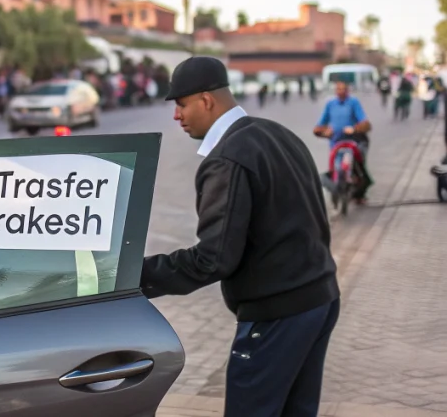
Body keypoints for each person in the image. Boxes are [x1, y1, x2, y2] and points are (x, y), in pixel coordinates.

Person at [140, 56, 340, 417]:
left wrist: (134, 275)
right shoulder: (279, 134)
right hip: (320, 299)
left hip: (278, 313)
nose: (176, 116)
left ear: (206, 100)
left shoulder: (226, 159)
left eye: (181, 104)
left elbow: (213, 259)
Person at [313, 81, 373, 202]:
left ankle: (359, 192)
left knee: (354, 165)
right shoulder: (331, 104)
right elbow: (320, 124)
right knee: (337, 166)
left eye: (343, 89)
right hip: (336, 141)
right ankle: (337, 189)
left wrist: (354, 129)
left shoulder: (353, 102)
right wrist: (325, 131)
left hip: (352, 141)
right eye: (338, 89)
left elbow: (364, 121)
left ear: (347, 91)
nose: (341, 91)